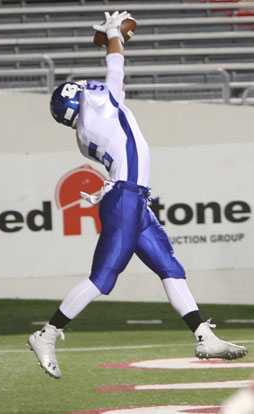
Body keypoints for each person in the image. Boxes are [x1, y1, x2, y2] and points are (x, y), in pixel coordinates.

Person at [27, 11, 247, 379]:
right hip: (125, 198)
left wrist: (114, 40)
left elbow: (115, 87)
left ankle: (203, 336)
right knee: (102, 279)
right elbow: (116, 73)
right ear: (79, 102)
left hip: (134, 198)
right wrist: (115, 35)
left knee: (170, 268)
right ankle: (46, 334)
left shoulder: (87, 130)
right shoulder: (95, 112)